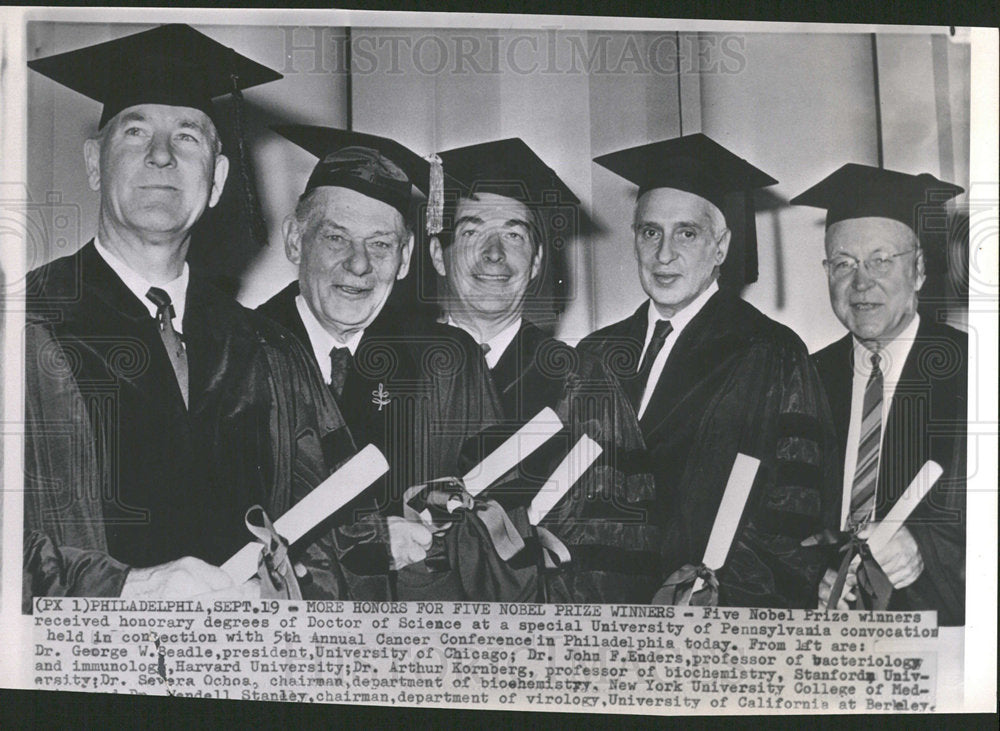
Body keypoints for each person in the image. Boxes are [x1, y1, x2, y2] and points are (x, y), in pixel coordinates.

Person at [23, 24, 358, 610]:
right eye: (135, 133)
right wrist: (124, 588)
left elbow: (328, 544)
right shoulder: (22, 327)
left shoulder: (268, 350)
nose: (161, 154)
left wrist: (283, 588)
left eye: (187, 136)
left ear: (218, 180)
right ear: (94, 163)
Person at [579, 133, 841, 607]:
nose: (663, 254)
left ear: (720, 247)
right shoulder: (596, 353)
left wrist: (709, 588)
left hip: (711, 613)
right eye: (649, 231)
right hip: (598, 611)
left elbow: (794, 511)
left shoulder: (771, 352)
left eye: (687, 232)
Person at [256, 126, 502, 575]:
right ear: (295, 239)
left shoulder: (448, 363)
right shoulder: (239, 354)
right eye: (335, 238)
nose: (359, 263)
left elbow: (493, 527)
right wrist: (368, 541)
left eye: (381, 244)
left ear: (406, 257)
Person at [428, 138, 658, 603]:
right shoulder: (390, 372)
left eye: (514, 235)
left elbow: (615, 556)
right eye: (472, 232)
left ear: (535, 263)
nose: (494, 254)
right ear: (438, 254)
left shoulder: (582, 383)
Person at [792, 163, 967, 625]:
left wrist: (924, 547)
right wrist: (812, 575)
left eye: (881, 261)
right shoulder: (804, 378)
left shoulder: (974, 372)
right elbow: (781, 517)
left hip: (940, 629)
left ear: (920, 270)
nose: (861, 282)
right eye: (843, 263)